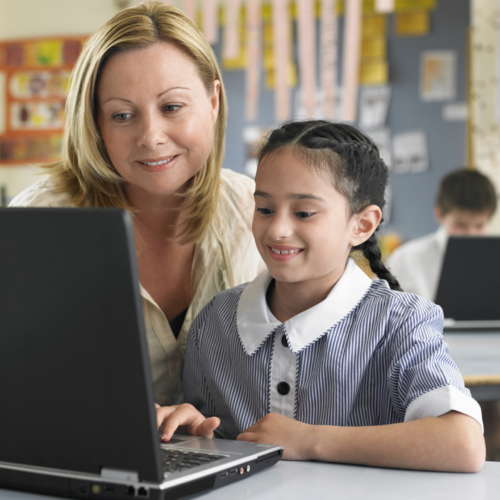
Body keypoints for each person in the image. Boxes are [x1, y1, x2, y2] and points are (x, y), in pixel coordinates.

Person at [156, 120, 485, 473]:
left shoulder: (400, 322)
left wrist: (308, 439)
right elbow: (210, 436)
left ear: (361, 225)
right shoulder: (216, 320)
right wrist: (190, 426)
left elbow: (462, 444)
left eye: (304, 213)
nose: (278, 230)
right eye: (264, 209)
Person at [9, 2, 263, 406]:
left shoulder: (255, 209)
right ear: (96, 124)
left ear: (213, 101)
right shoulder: (38, 224)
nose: (151, 136)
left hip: (231, 456)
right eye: (123, 116)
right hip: (88, 461)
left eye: (172, 107)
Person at [387, 169, 497, 301]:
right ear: (439, 214)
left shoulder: (494, 260)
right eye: (461, 225)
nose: (471, 234)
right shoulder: (406, 259)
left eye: (479, 225)